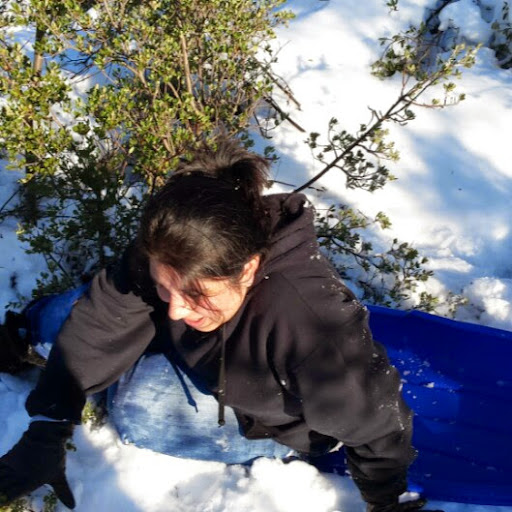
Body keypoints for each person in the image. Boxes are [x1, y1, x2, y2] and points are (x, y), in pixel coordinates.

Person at [0, 140, 441, 512]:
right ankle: (27, 343)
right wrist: (48, 427)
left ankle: (109, 378)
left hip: (260, 413)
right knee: (72, 312)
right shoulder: (181, 245)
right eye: (165, 287)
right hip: (197, 348)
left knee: (140, 409)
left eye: (196, 295)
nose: (176, 308)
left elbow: (377, 423)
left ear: (247, 269)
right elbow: (107, 312)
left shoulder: (309, 324)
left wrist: (385, 500)